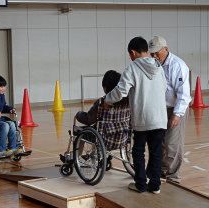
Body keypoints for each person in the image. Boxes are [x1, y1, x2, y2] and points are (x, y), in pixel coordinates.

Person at [104, 36, 167, 194]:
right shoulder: (159, 67)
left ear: (133, 52)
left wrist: (107, 100)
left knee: (138, 151)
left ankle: (140, 184)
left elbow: (121, 91)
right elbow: (164, 88)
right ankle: (155, 185)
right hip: (160, 117)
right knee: (156, 152)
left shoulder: (132, 68)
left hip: (143, 118)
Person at [148, 36, 191, 183]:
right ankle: (162, 171)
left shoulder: (178, 66)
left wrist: (177, 115)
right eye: (151, 53)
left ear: (166, 49)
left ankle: (173, 177)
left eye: (156, 53)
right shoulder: (154, 64)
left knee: (173, 144)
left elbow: (184, 94)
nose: (154, 56)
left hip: (175, 108)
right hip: (160, 109)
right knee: (160, 142)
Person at [75, 70, 131, 171]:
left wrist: (78, 115)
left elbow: (89, 119)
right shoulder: (128, 101)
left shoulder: (102, 102)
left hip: (105, 139)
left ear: (105, 87)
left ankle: (76, 158)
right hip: (123, 137)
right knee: (97, 129)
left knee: (80, 131)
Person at [0, 75, 22, 158]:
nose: (4, 88)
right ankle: (1, 151)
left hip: (0, 120)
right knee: (5, 125)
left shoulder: (1, 95)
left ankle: (13, 148)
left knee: (11, 124)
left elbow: (4, 106)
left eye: (4, 86)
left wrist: (10, 109)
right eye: (1, 86)